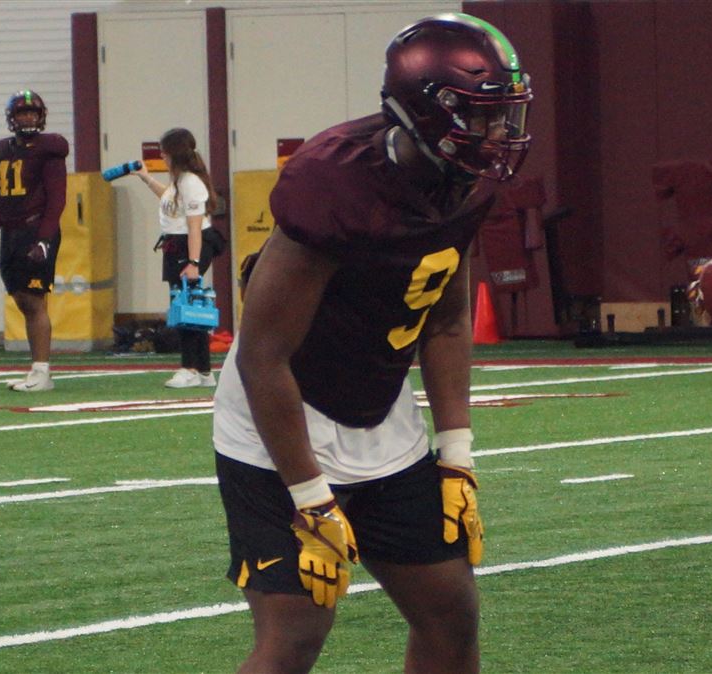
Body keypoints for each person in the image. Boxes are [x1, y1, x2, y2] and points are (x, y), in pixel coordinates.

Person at [211, 13, 530, 673]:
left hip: (382, 414)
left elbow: (443, 317)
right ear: (427, 113)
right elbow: (261, 356)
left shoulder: (468, 181)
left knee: (451, 612)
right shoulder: (335, 181)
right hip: (283, 418)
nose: (501, 134)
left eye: (506, 115)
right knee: (296, 630)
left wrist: (458, 456)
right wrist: (308, 495)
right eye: (483, 116)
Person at [0, 90, 68, 392]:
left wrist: (44, 239)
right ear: (12, 118)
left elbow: (57, 200)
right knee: (21, 299)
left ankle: (42, 371)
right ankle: (37, 369)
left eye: (32, 112)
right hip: (11, 234)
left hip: (35, 230)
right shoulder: (1, 151)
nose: (28, 117)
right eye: (22, 113)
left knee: (34, 301)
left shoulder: (50, 149)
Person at [133, 128, 224, 389]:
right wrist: (147, 179)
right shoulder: (179, 180)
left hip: (190, 246)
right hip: (178, 245)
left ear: (174, 153)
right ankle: (205, 371)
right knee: (189, 306)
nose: (161, 155)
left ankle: (190, 367)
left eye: (164, 151)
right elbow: (169, 200)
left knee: (186, 307)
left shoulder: (191, 182)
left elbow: (195, 226)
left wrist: (193, 263)